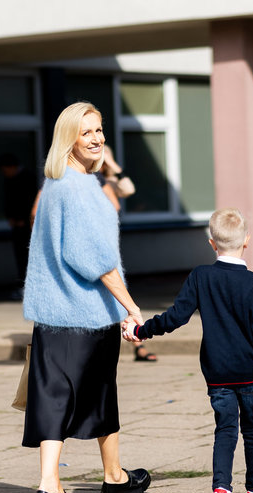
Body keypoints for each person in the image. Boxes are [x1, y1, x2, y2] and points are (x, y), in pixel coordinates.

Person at [22, 102, 151, 493]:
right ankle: (94, 481)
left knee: (54, 400)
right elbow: (92, 259)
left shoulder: (56, 183)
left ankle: (63, 486)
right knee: (96, 395)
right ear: (69, 139)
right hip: (85, 316)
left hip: (53, 315)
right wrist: (131, 307)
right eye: (86, 132)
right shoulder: (77, 188)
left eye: (100, 130)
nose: (96, 138)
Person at [122, 207, 253, 493]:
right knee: (252, 430)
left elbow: (175, 317)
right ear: (247, 240)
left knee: (224, 430)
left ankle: (221, 492)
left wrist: (141, 331)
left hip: (217, 372)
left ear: (211, 243)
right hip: (248, 374)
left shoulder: (201, 277)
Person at [96, 144, 157, 362]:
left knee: (121, 296)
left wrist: (112, 165)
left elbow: (129, 189)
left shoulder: (110, 181)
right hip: (98, 243)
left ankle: (138, 344)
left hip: (110, 242)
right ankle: (136, 345)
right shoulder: (85, 179)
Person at [0, 153, 38, 299]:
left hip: (28, 226)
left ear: (12, 167)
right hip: (16, 225)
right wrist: (10, 217)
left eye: (5, 169)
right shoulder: (8, 179)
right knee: (20, 257)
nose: (5, 173)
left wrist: (24, 219)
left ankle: (31, 288)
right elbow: (8, 200)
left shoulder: (28, 178)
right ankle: (22, 286)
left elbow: (31, 202)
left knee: (28, 256)